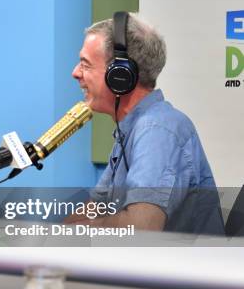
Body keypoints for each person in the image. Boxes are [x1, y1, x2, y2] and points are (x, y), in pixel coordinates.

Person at [64, 12, 224, 235]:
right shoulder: (130, 129)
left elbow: (141, 228)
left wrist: (83, 230)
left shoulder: (157, 131)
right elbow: (95, 208)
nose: (75, 73)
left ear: (120, 75)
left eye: (85, 65)